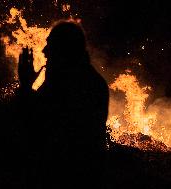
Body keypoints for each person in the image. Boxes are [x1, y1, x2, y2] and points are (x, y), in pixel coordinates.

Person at [19, 20, 109, 188]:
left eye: (50, 46)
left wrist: (25, 87)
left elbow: (34, 124)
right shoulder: (87, 80)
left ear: (65, 50)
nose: (44, 51)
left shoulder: (70, 84)